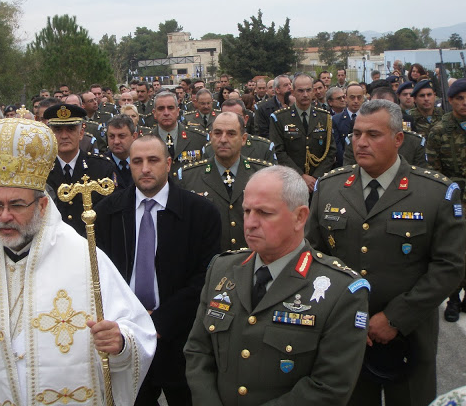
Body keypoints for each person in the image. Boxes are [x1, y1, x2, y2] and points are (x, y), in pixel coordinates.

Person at [0, 117, 156, 406]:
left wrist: (120, 343)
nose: (4, 216)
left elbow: (137, 332)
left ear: (43, 205)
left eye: (17, 205)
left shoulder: (83, 257)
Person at [306, 100, 465, 406]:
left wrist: (394, 319)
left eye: (373, 135)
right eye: (356, 134)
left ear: (398, 139)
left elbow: (449, 267)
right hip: (344, 333)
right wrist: (346, 315)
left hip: (409, 336)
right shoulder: (329, 187)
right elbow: (313, 255)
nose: (361, 143)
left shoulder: (435, 193)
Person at [184, 165, 370, 405]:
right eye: (247, 211)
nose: (249, 223)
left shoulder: (340, 291)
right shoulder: (222, 269)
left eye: (264, 213)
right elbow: (198, 351)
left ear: (300, 217)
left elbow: (329, 387)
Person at [94, 135, 221, 405]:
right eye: (137, 161)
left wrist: (160, 321)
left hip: (181, 336)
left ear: (169, 163)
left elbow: (205, 278)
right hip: (125, 336)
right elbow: (99, 275)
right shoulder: (106, 213)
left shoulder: (201, 213)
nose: (145, 168)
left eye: (153, 160)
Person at [178, 112, 270, 251]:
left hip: (253, 261)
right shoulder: (189, 176)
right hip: (208, 263)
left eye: (231, 134)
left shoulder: (263, 174)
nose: (223, 139)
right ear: (210, 136)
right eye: (218, 133)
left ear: (243, 139)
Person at [426, 78, 466, 322]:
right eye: (459, 98)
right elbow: (435, 172)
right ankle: (453, 298)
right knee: (456, 252)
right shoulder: (439, 131)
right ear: (450, 100)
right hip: (455, 200)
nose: (464, 103)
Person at [44, 103, 116, 237]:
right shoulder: (41, 170)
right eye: (58, 130)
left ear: (81, 133)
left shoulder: (101, 168)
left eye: (70, 129)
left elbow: (109, 214)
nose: (64, 136)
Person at [269, 74, 336, 193]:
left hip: (318, 183)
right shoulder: (280, 118)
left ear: (313, 91)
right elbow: (278, 151)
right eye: (300, 91)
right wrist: (301, 176)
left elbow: (331, 151)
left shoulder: (324, 117)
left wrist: (315, 178)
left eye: (308, 90)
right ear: (293, 92)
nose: (305, 94)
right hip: (290, 182)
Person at [148, 91, 207, 174]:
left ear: (178, 111)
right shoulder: (145, 141)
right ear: (154, 113)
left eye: (170, 108)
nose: (166, 113)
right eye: (161, 109)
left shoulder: (198, 138)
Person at [203, 99, 277, 164]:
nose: (230, 120)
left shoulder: (263, 148)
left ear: (246, 119)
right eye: (226, 115)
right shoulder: (209, 149)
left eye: (236, 116)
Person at [332, 83, 365, 166]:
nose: (356, 101)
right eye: (352, 97)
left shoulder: (369, 119)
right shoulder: (336, 120)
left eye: (359, 97)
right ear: (346, 98)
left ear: (363, 98)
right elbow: (337, 148)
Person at [104, 114, 137, 190]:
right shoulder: (101, 164)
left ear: (134, 137)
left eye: (121, 136)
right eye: (112, 136)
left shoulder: (143, 162)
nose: (116, 141)